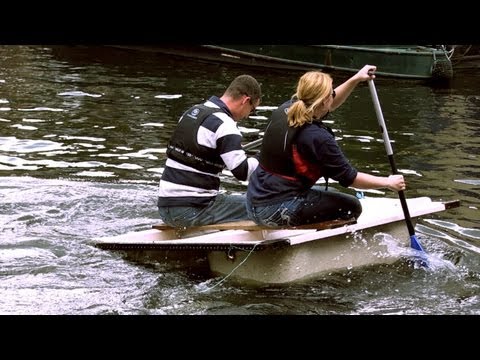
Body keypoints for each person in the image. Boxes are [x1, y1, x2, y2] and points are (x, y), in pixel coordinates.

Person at [246, 65, 406, 227]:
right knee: (351, 207)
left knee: (333, 195)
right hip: (274, 211)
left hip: (254, 201)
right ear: (323, 101)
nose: (333, 95)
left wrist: (356, 79)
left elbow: (330, 102)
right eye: (331, 93)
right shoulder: (319, 138)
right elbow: (351, 178)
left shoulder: (288, 109)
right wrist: (388, 182)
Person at [158, 74, 261, 228]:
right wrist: (265, 157)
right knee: (262, 205)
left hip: (165, 207)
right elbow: (243, 173)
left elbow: (196, 157)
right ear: (245, 101)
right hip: (193, 209)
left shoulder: (192, 112)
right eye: (252, 110)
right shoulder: (226, 125)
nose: (247, 116)